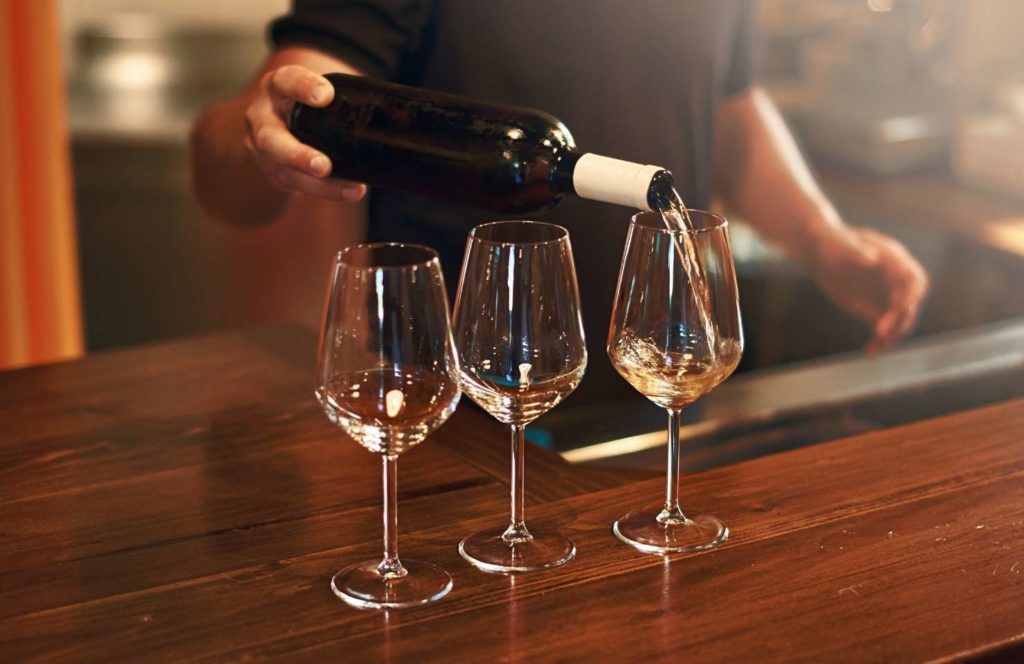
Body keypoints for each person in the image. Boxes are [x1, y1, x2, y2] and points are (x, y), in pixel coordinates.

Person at [191, 0, 928, 409]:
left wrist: (824, 238)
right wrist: (262, 135)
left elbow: (731, 108)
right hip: (456, 414)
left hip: (647, 398)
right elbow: (292, 105)